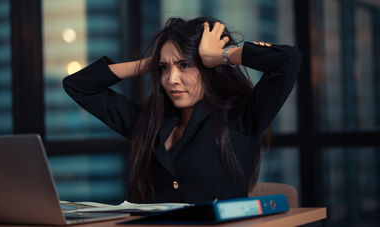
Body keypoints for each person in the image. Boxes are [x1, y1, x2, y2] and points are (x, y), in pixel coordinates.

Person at [63, 16, 301, 204]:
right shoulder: (150, 122)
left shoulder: (240, 116)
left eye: (185, 65)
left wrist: (223, 55)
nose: (171, 79)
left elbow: (288, 61)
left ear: (208, 67)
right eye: (164, 69)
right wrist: (151, 63)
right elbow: (79, 86)